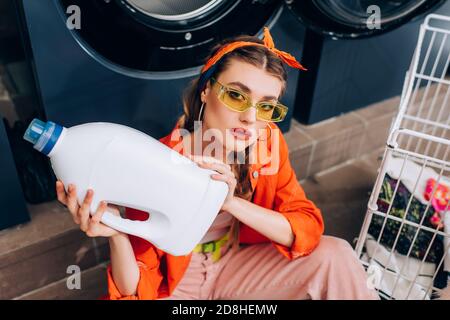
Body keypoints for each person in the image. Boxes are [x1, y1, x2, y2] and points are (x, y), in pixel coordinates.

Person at [56, 27, 379, 300]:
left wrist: (231, 202)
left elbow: (306, 227)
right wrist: (118, 235)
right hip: (181, 282)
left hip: (236, 265)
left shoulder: (267, 143)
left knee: (335, 254)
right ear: (207, 90)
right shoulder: (160, 162)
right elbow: (138, 288)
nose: (250, 118)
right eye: (237, 96)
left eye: (266, 107)